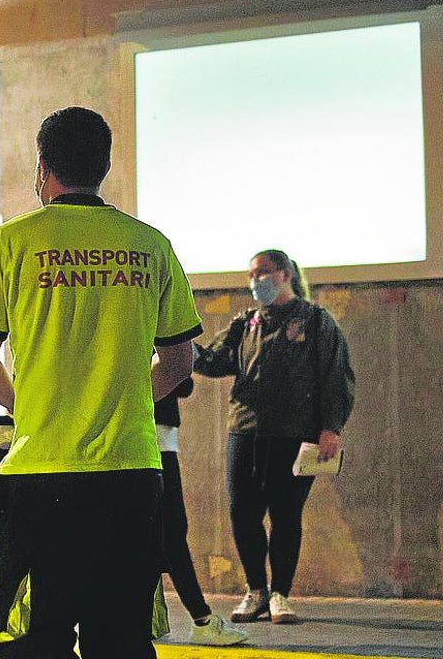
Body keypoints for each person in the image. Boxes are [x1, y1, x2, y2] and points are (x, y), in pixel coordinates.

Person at [0, 107, 203, 658]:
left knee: (31, 641)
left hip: (41, 477)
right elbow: (179, 363)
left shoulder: (12, 243)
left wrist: (34, 405)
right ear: (107, 165)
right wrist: (125, 401)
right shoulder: (151, 245)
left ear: (43, 167)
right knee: (120, 641)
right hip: (131, 474)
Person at [194, 249, 355, 625]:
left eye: (263, 273)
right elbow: (215, 360)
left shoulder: (315, 321)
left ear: (284, 274)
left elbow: (336, 375)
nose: (256, 282)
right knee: (243, 514)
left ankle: (281, 593)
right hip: (245, 432)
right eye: (252, 275)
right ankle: (256, 592)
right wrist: (179, 348)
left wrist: (331, 427)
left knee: (285, 515)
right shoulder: (246, 322)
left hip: (294, 435)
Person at [154, 379, 248, 646]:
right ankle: (202, 619)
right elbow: (181, 380)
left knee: (157, 534)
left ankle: (193, 618)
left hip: (150, 437)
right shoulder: (147, 337)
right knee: (171, 532)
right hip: (152, 439)